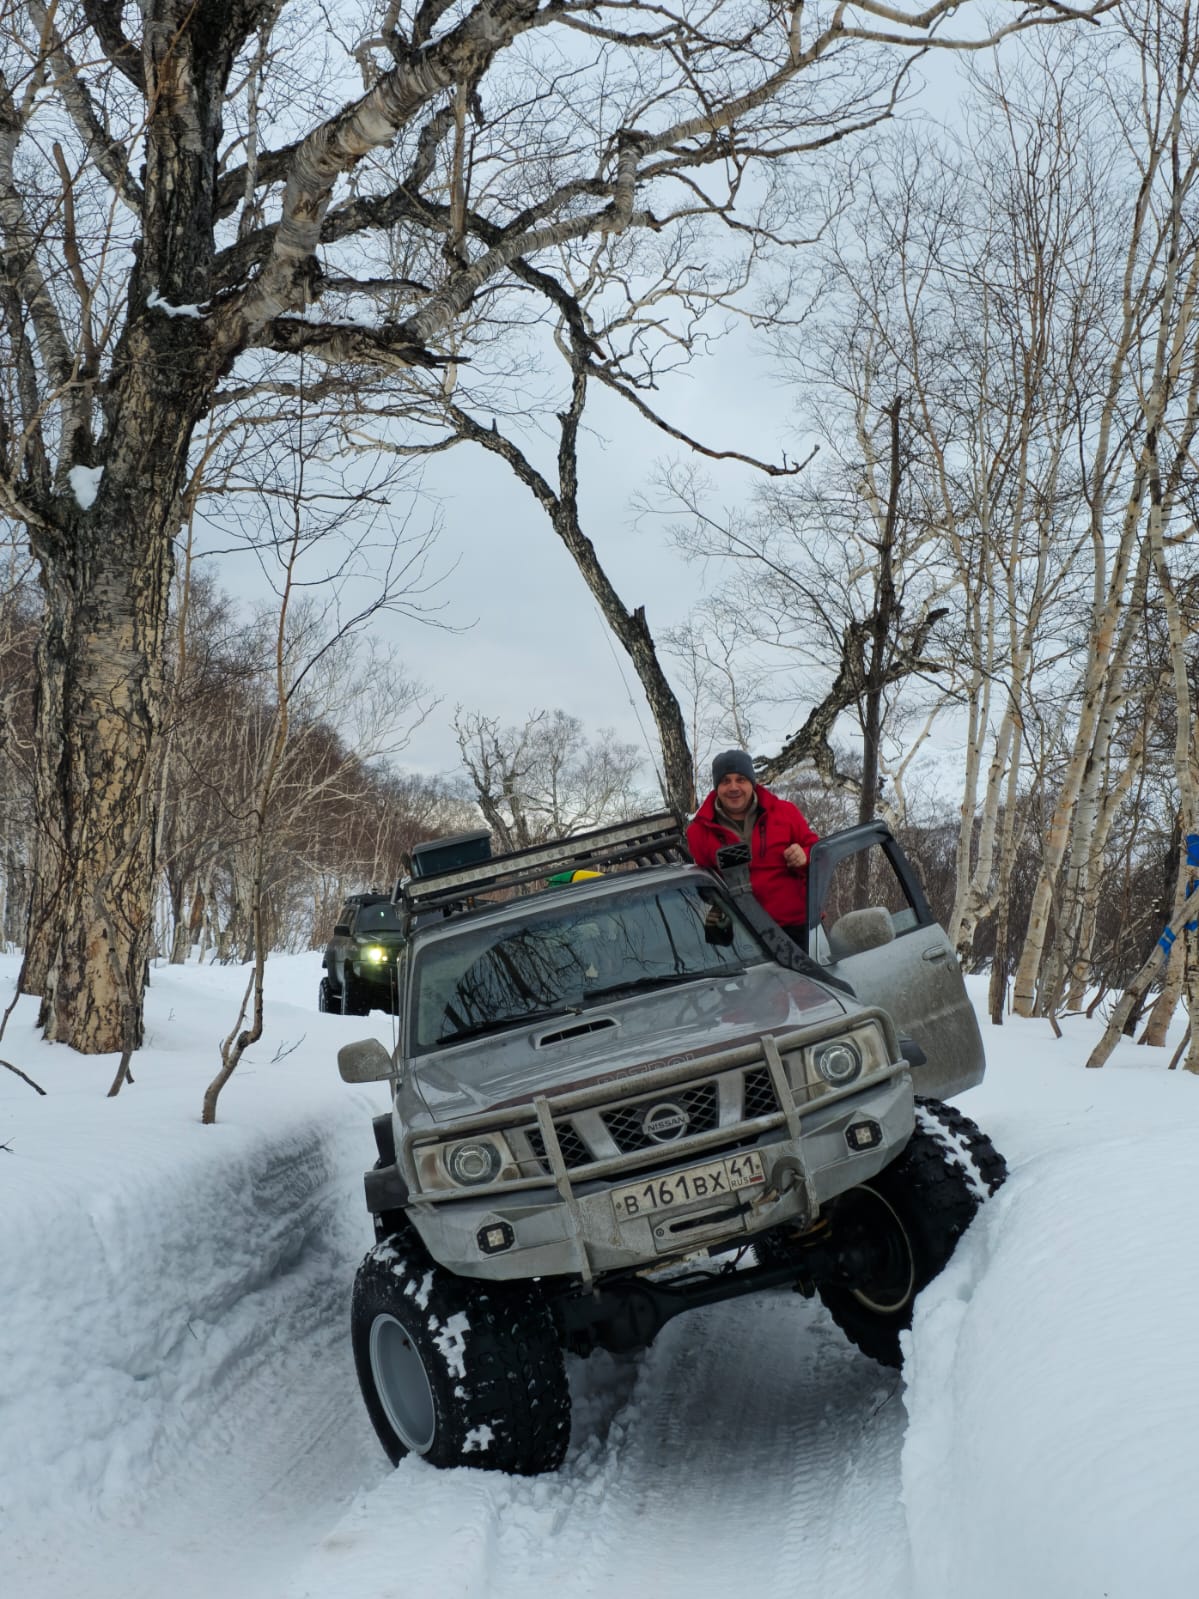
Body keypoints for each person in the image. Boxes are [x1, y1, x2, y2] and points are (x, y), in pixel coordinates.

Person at [687, 749, 819, 947]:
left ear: (752, 783)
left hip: (800, 927)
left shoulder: (784, 812)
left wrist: (805, 856)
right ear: (716, 787)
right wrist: (717, 907)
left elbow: (819, 853)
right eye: (725, 781)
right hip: (746, 938)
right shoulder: (699, 832)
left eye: (741, 779)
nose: (733, 787)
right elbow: (705, 885)